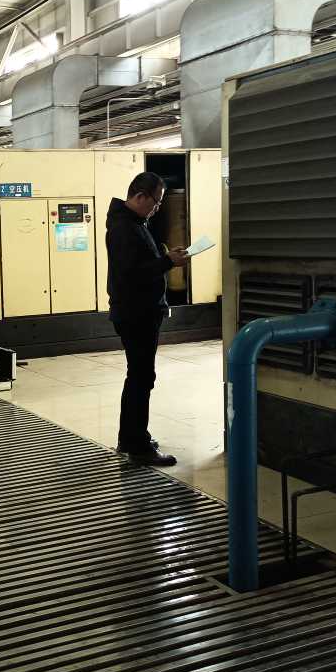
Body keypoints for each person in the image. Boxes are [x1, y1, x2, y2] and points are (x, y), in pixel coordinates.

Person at [106, 172, 189, 466]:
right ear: (140, 196)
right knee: (141, 378)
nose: (157, 208)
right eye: (156, 202)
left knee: (138, 376)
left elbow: (139, 266)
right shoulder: (124, 228)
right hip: (136, 314)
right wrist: (168, 262)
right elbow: (133, 275)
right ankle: (138, 446)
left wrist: (165, 258)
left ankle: (130, 436)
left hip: (138, 312)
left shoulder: (132, 224)